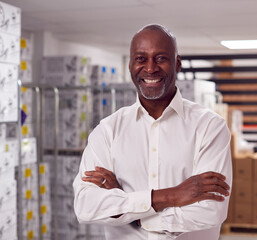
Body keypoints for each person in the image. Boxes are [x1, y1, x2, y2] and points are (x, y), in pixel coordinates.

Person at [72, 24, 232, 240]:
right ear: (130, 65)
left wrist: (132, 212)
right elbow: (85, 206)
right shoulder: (108, 130)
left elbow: (210, 211)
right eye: (141, 58)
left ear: (177, 63)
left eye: (160, 58)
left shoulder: (209, 127)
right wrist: (171, 195)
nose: (150, 68)